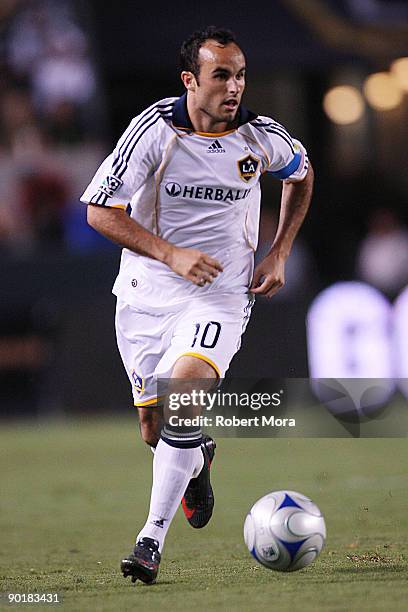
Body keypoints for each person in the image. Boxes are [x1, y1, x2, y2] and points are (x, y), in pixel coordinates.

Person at [80, 26, 313, 584]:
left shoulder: (261, 138)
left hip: (221, 295)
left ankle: (149, 540)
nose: (235, 87)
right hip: (146, 296)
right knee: (156, 430)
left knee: (184, 395)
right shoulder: (154, 133)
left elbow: (301, 176)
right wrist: (171, 254)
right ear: (190, 80)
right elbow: (99, 211)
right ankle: (197, 455)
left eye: (240, 75)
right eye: (221, 75)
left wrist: (279, 250)